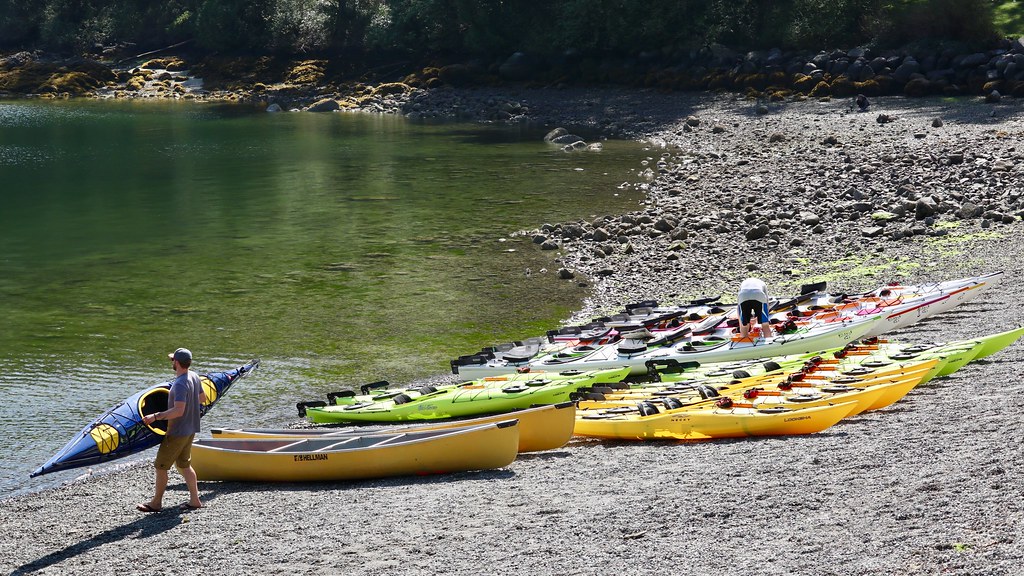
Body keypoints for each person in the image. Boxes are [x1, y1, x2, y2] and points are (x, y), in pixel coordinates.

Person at [136, 347, 206, 513]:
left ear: (177, 363)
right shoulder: (194, 376)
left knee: (161, 467)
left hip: (177, 432)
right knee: (184, 465)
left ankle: (156, 503)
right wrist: (188, 405)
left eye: (172, 360)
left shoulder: (181, 383)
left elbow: (178, 411)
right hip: (191, 428)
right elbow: (202, 398)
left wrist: (155, 416)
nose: (171, 362)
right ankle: (195, 501)